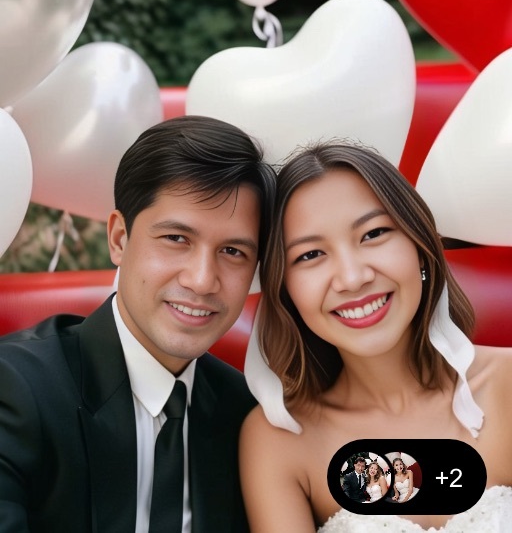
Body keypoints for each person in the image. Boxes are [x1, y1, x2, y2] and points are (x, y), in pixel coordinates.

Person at [0, 115, 276, 533]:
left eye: (233, 251)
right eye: (176, 239)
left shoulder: (247, 415)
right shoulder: (16, 389)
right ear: (119, 238)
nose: (202, 280)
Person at [240, 140, 512, 532]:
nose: (353, 278)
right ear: (285, 290)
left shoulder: (507, 384)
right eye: (310, 255)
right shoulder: (280, 440)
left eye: (373, 233)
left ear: (420, 246)